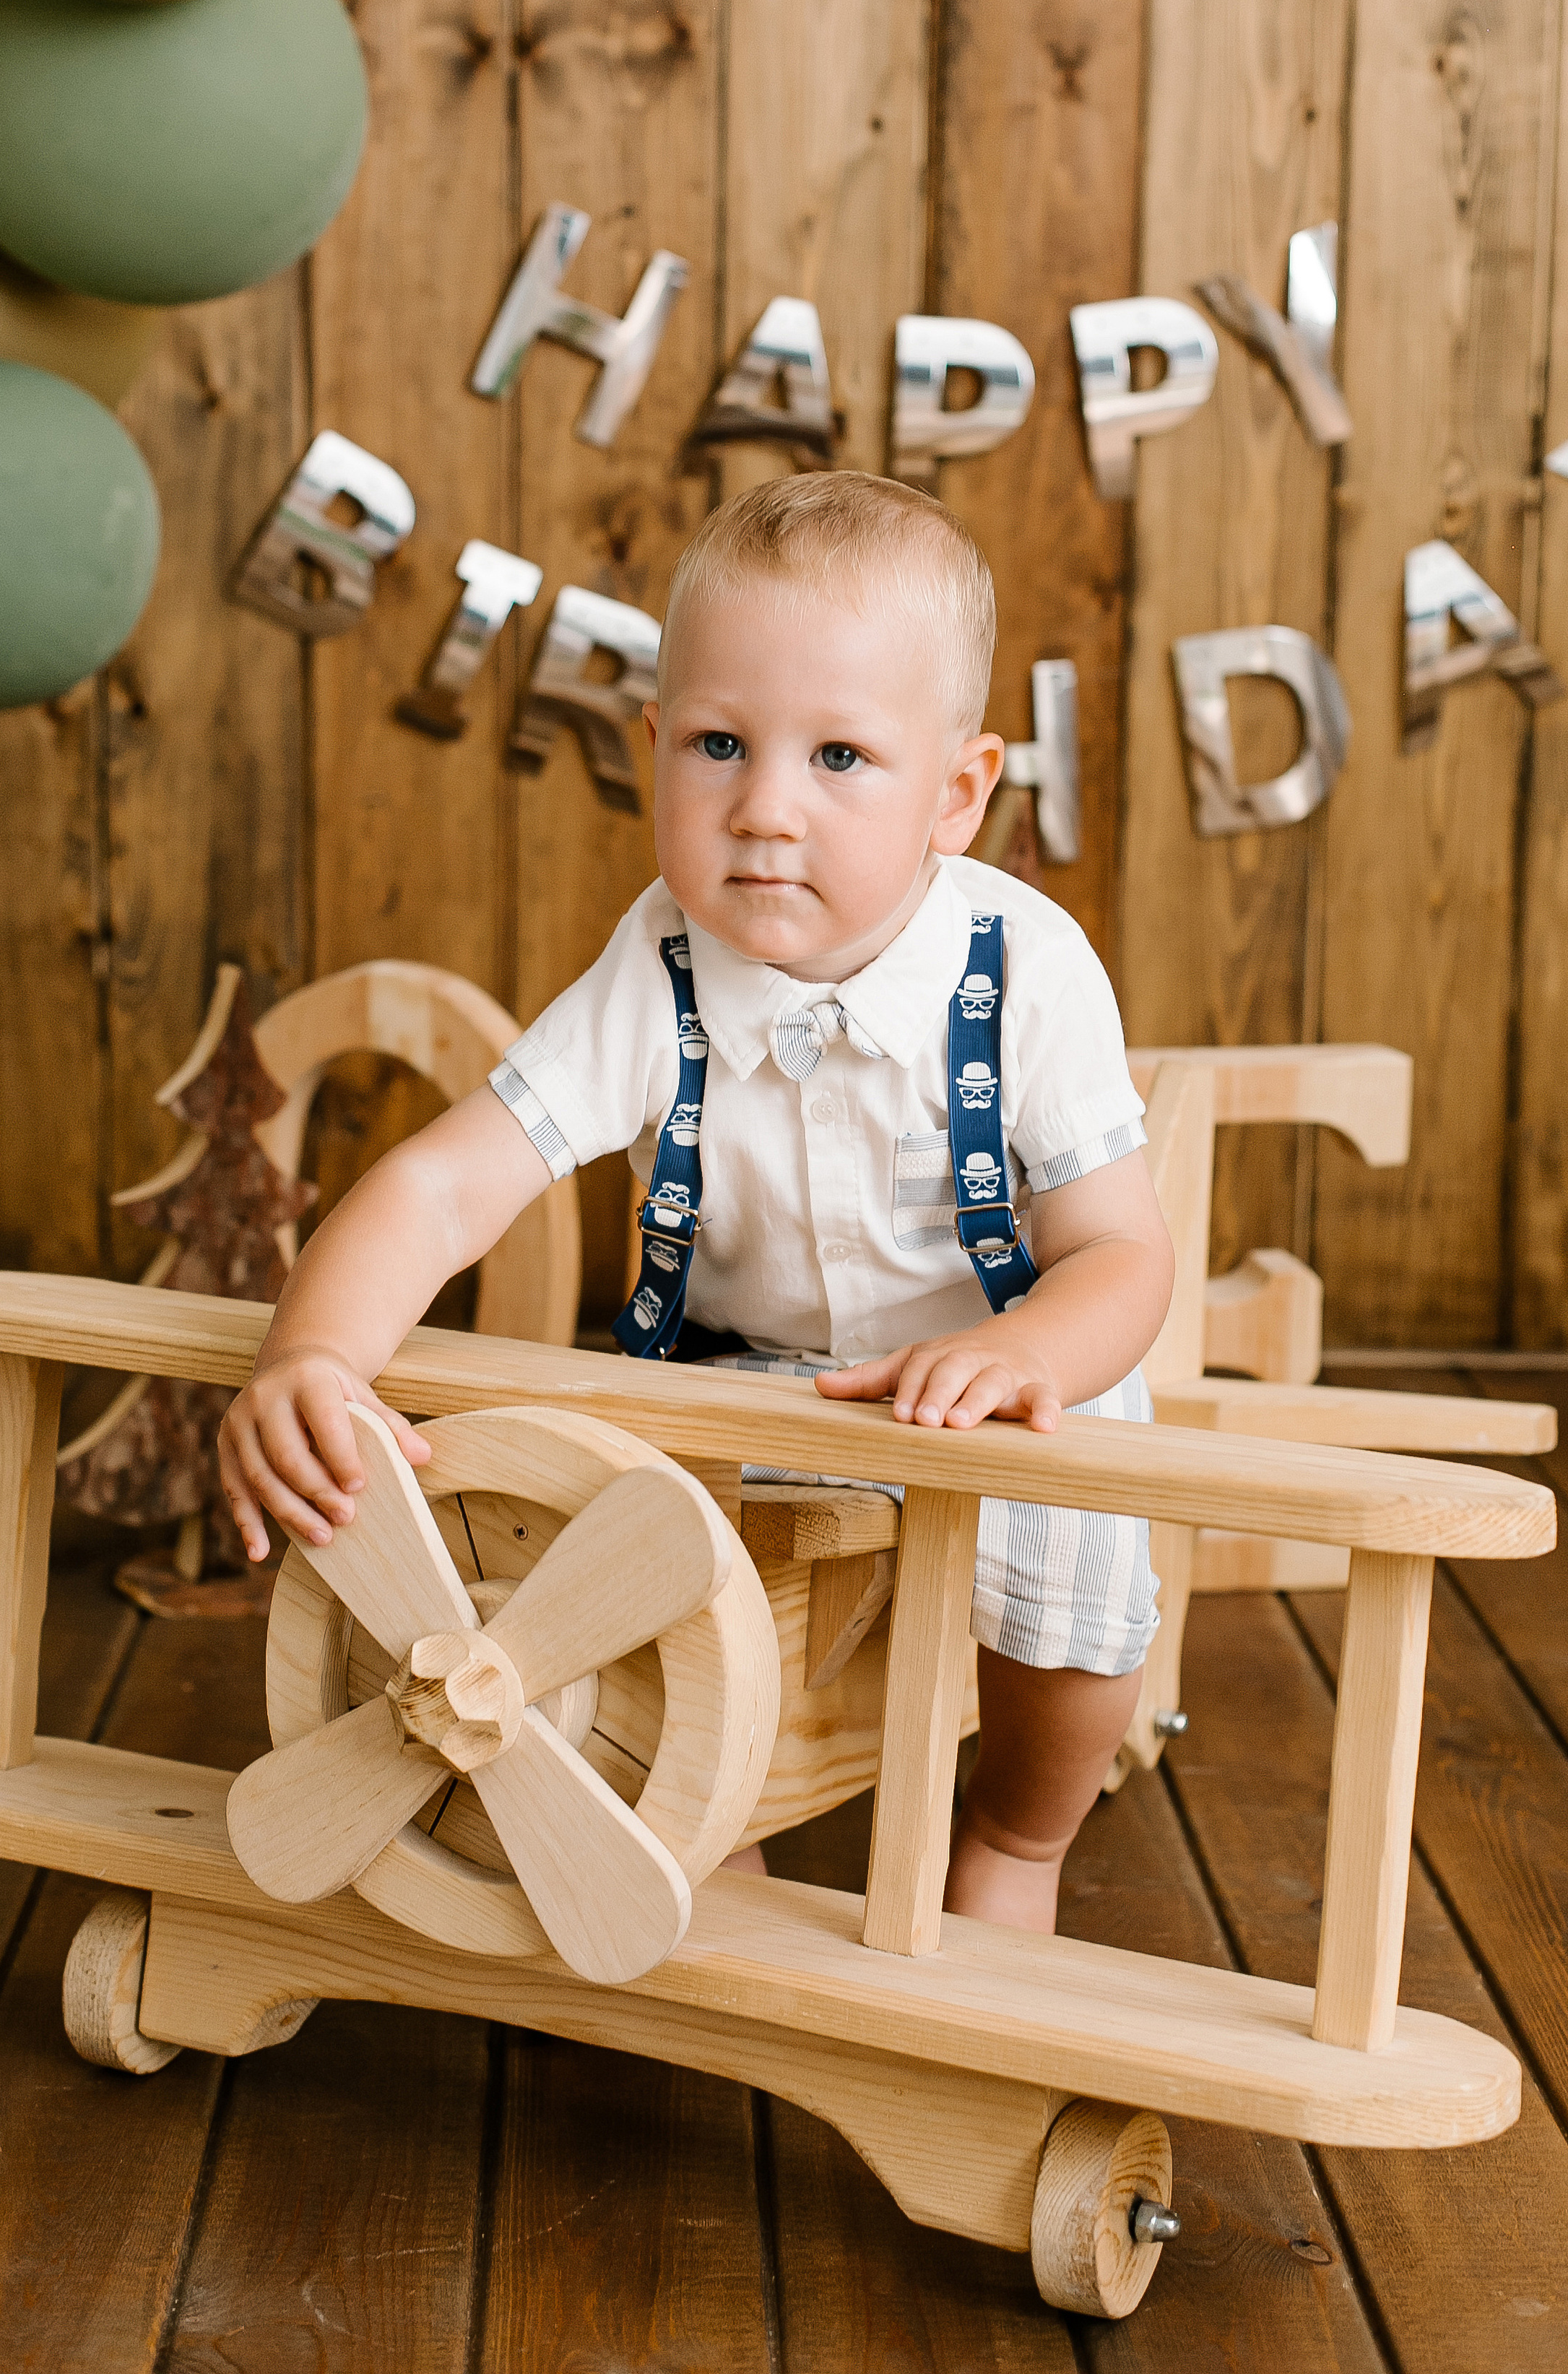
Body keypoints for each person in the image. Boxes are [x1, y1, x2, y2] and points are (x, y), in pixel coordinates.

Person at [218, 470, 1174, 1934]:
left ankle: (1021, 1834)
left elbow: (1120, 1254)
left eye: (840, 756)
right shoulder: (655, 963)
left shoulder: (1023, 965)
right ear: (655, 747)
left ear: (956, 792)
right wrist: (311, 1355)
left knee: (1074, 1554)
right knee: (638, 1584)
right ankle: (705, 1843)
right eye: (720, 745)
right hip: (733, 1383)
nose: (764, 810)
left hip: (998, 1378)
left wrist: (1030, 1354)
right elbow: (442, 1182)